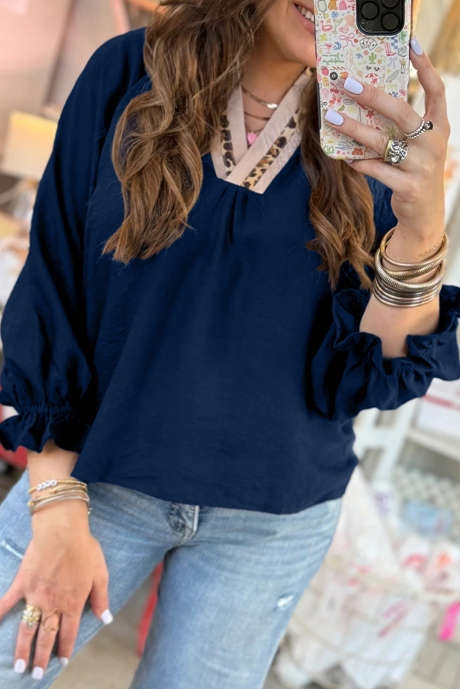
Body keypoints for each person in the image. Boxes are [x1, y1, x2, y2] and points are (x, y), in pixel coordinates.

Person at [0, 1, 459, 687]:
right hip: (95, 478)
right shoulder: (130, 73)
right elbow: (54, 284)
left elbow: (367, 375)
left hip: (271, 519)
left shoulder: (374, 133)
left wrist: (421, 234)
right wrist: (55, 499)